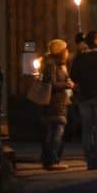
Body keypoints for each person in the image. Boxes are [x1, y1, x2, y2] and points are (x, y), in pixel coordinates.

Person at [69, 29, 97, 171]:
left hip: (84, 96)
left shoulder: (80, 57)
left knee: (87, 129)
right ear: (96, 40)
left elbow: (73, 76)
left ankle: (90, 161)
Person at [39, 38, 74, 170]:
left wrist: (67, 80)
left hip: (59, 102)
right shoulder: (51, 64)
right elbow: (52, 84)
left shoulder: (60, 64)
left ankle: (50, 159)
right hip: (54, 103)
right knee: (55, 132)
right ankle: (52, 161)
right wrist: (67, 84)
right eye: (65, 49)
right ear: (60, 51)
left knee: (53, 132)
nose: (67, 51)